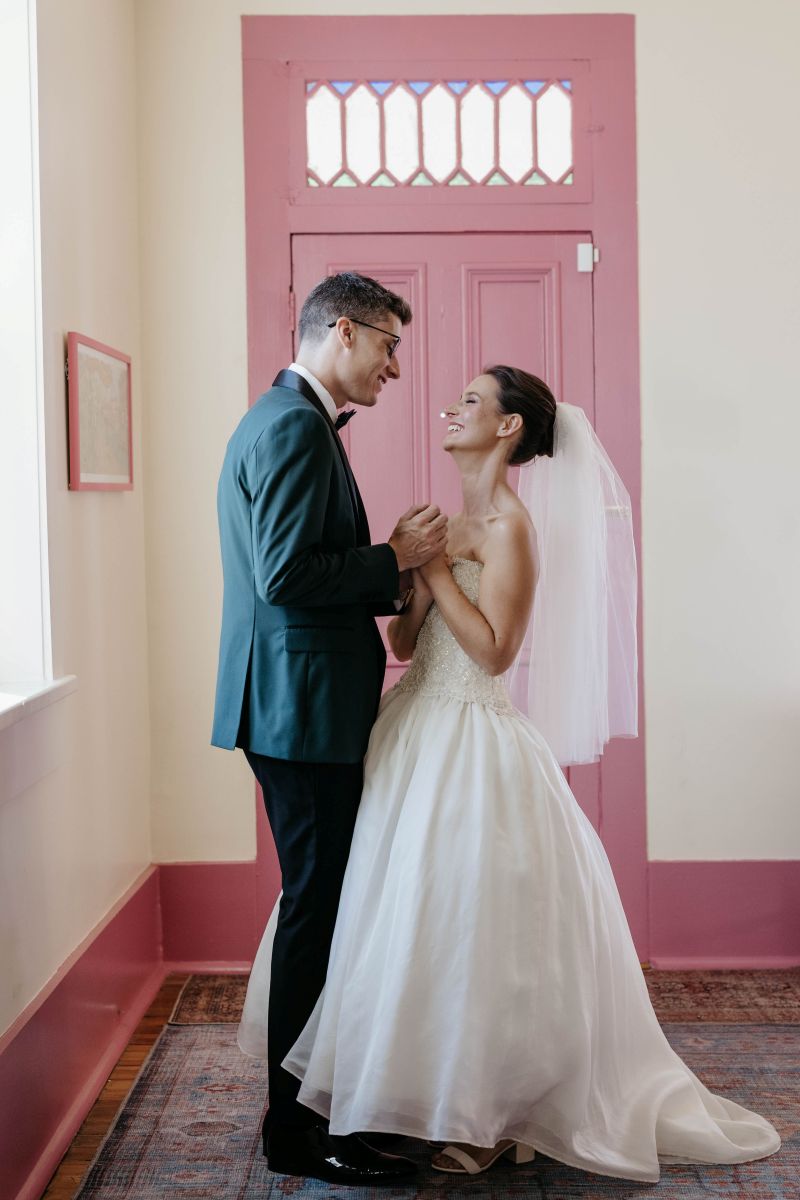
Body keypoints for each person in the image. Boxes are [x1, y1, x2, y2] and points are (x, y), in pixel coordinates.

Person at [239, 365, 781, 1182]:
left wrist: (421, 571)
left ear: (508, 430)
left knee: (465, 924)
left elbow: (493, 651)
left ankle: (483, 1101)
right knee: (392, 916)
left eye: (471, 402)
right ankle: (394, 1092)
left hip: (472, 738)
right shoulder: (451, 521)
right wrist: (410, 563)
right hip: (410, 729)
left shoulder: (510, 530)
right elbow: (406, 649)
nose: (450, 408)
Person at [212, 272, 449, 1185]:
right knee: (319, 910)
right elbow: (286, 575)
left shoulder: (289, 421)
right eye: (388, 343)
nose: (396, 366)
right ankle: (295, 1131)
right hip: (298, 712)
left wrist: (388, 568)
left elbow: (298, 569)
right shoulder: (290, 427)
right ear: (341, 332)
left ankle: (320, 1104)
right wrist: (396, 556)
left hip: (293, 703)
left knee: (324, 905)